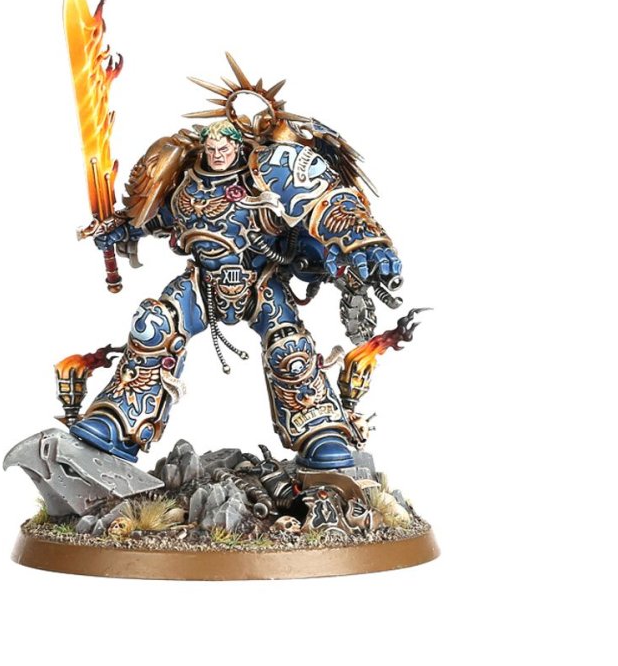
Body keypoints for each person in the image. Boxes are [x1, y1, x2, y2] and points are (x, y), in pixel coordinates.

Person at [69, 104, 402, 470]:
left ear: (237, 147)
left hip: (259, 284)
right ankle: (119, 421)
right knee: (153, 325)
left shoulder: (266, 178)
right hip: (203, 284)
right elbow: (154, 219)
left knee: (289, 348)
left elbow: (328, 205)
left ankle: (319, 430)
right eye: (211, 149)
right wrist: (121, 228)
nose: (217, 155)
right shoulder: (186, 185)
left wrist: (364, 239)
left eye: (224, 149)